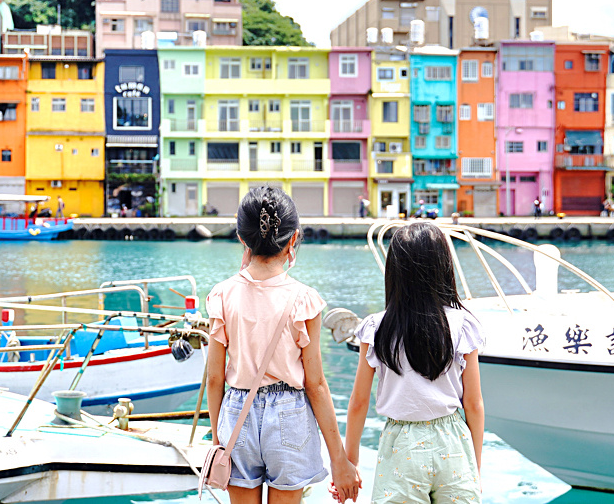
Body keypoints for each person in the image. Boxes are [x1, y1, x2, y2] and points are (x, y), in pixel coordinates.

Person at [206, 186, 359, 504]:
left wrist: (219, 437)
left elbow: (214, 378)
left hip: (237, 410)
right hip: (290, 412)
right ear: (294, 239)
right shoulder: (304, 299)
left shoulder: (222, 295)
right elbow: (315, 384)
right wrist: (339, 459)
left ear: (241, 237)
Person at [344, 222, 485, 504]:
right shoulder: (463, 324)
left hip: (401, 444)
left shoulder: (376, 327)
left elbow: (359, 403)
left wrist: (350, 463)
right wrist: (475, 469)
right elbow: (474, 404)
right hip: (452, 439)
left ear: (394, 271)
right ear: (443, 267)